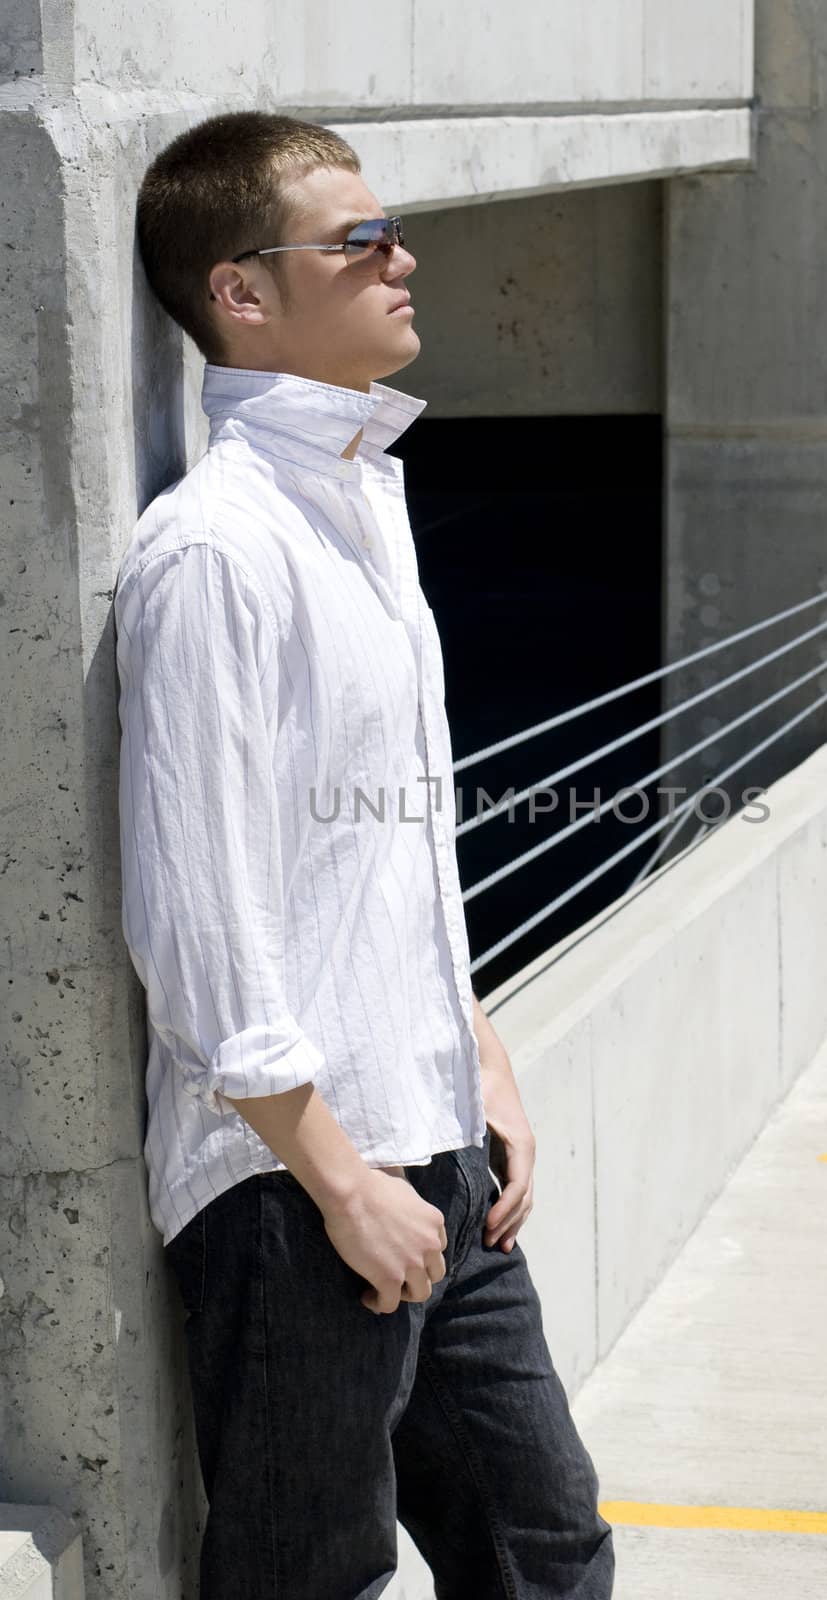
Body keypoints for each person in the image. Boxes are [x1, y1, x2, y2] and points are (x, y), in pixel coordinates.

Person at [115, 109, 615, 1600]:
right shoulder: (217, 551)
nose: (404, 258)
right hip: (297, 1190)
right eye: (359, 239)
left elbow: (389, 849)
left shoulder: (359, 510)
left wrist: (479, 1057)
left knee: (547, 1546)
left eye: (392, 231)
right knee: (306, 1581)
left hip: (437, 1152)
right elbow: (200, 912)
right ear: (242, 293)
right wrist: (338, 1180)